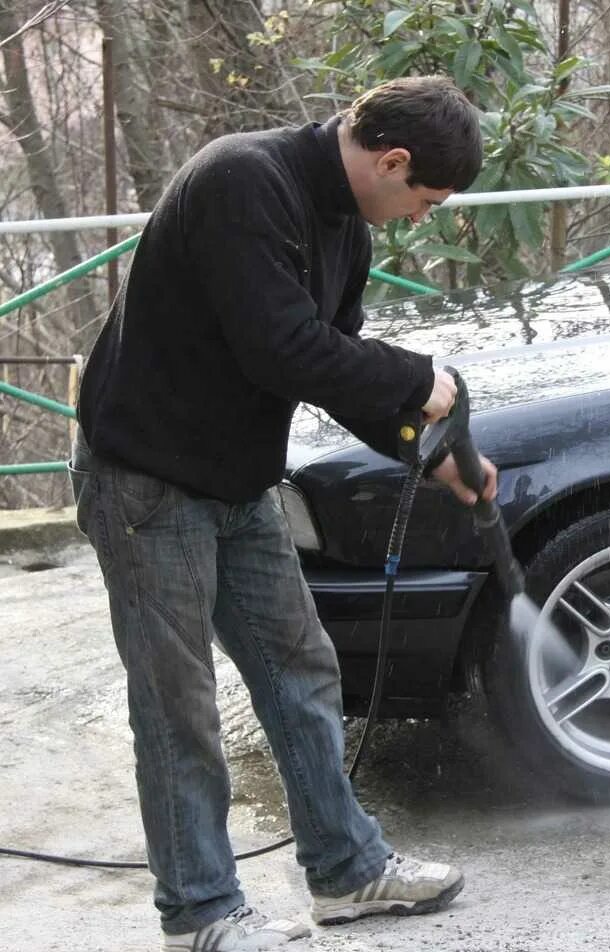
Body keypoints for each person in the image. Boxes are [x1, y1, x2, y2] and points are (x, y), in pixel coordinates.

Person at [69, 75, 497, 951]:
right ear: (392, 160)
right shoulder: (241, 181)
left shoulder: (345, 223)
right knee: (176, 701)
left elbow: (332, 366)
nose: (422, 217)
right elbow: (281, 348)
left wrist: (436, 449)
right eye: (426, 198)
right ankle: (201, 912)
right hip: (147, 480)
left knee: (300, 667)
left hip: (237, 481)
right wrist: (420, 377)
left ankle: (347, 873)